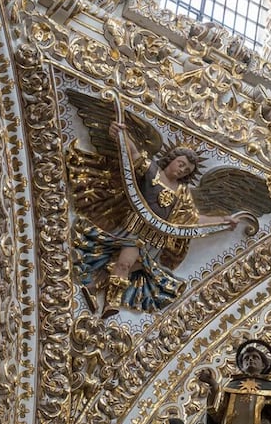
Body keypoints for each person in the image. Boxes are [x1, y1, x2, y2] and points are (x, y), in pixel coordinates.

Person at [76, 121, 239, 317]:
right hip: (135, 229)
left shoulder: (182, 193)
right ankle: (111, 303)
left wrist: (222, 220)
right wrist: (121, 135)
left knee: (126, 265)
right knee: (125, 264)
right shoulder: (152, 171)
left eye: (186, 170)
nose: (182, 170)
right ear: (171, 159)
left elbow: (192, 220)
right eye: (181, 164)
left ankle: (94, 287)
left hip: (154, 240)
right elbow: (134, 154)